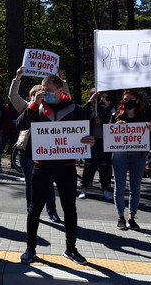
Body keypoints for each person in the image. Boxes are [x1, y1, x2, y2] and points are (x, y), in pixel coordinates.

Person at [17, 74, 95, 264]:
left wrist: (89, 141)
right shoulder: (38, 107)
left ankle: (71, 249)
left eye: (49, 91)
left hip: (67, 168)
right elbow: (20, 125)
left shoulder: (76, 110)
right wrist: (34, 104)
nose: (44, 93)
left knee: (70, 210)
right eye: (42, 89)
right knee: (34, 210)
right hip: (41, 168)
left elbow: (86, 134)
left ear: (61, 91)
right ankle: (30, 248)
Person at [8, 69, 61, 222]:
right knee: (31, 183)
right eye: (36, 93)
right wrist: (18, 77)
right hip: (27, 152)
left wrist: (60, 81)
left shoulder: (52, 111)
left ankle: (52, 211)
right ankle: (31, 210)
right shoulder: (26, 108)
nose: (39, 96)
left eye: (43, 93)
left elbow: (64, 97)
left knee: (48, 184)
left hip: (46, 152)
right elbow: (13, 97)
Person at [110, 90, 151, 230]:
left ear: (136, 100)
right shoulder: (116, 115)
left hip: (138, 154)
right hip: (120, 154)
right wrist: (115, 127)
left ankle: (132, 217)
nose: (126, 101)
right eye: (125, 99)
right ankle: (121, 217)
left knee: (135, 187)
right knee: (120, 186)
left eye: (130, 98)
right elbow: (108, 134)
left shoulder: (144, 116)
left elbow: (150, 137)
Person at [79, 90, 113, 200]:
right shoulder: (87, 107)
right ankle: (84, 188)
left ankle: (104, 189)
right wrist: (90, 101)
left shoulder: (104, 108)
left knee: (104, 165)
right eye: (96, 96)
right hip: (90, 139)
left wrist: (101, 122)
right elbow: (81, 112)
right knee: (88, 164)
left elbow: (111, 120)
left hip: (103, 140)